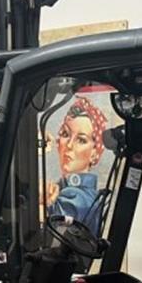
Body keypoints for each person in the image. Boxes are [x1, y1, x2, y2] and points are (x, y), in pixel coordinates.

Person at [42, 96, 108, 236]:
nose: (69, 145)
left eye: (81, 140)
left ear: (94, 153)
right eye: (65, 134)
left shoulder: (78, 198)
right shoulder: (63, 190)